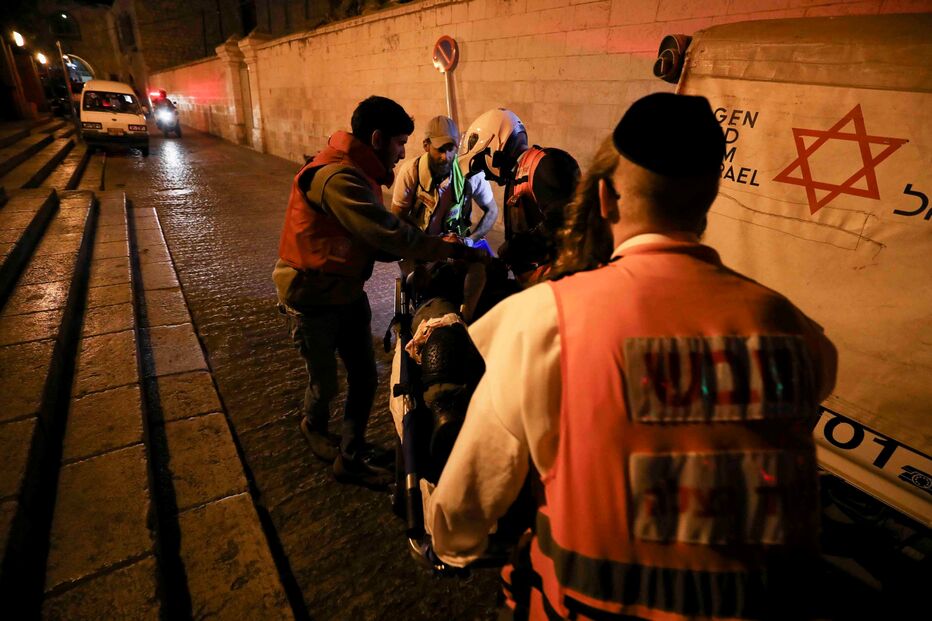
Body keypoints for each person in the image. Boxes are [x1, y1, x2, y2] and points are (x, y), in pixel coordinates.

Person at [426, 93, 838, 620]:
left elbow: (471, 494)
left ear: (604, 199)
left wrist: (450, 545)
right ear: (708, 198)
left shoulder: (544, 321)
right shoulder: (795, 330)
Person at [273, 95, 484, 488]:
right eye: (400, 141)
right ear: (376, 138)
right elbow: (386, 232)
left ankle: (351, 454)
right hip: (312, 296)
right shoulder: (339, 179)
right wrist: (443, 248)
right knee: (326, 382)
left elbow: (378, 242)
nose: (403, 151)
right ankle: (314, 426)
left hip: (347, 291)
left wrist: (425, 255)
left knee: (365, 376)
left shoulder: (359, 172)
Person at [457, 108, 580, 284]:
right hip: (539, 286)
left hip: (560, 286)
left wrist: (515, 248)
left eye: (482, 164)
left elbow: (567, 220)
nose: (485, 174)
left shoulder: (546, 163)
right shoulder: (518, 175)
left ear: (493, 147)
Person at [391, 115, 498, 249]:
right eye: (440, 149)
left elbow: (492, 211)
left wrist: (469, 241)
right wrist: (425, 242)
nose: (446, 157)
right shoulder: (411, 171)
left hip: (456, 251)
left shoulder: (471, 175)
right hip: (421, 248)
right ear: (426, 145)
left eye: (450, 148)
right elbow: (397, 215)